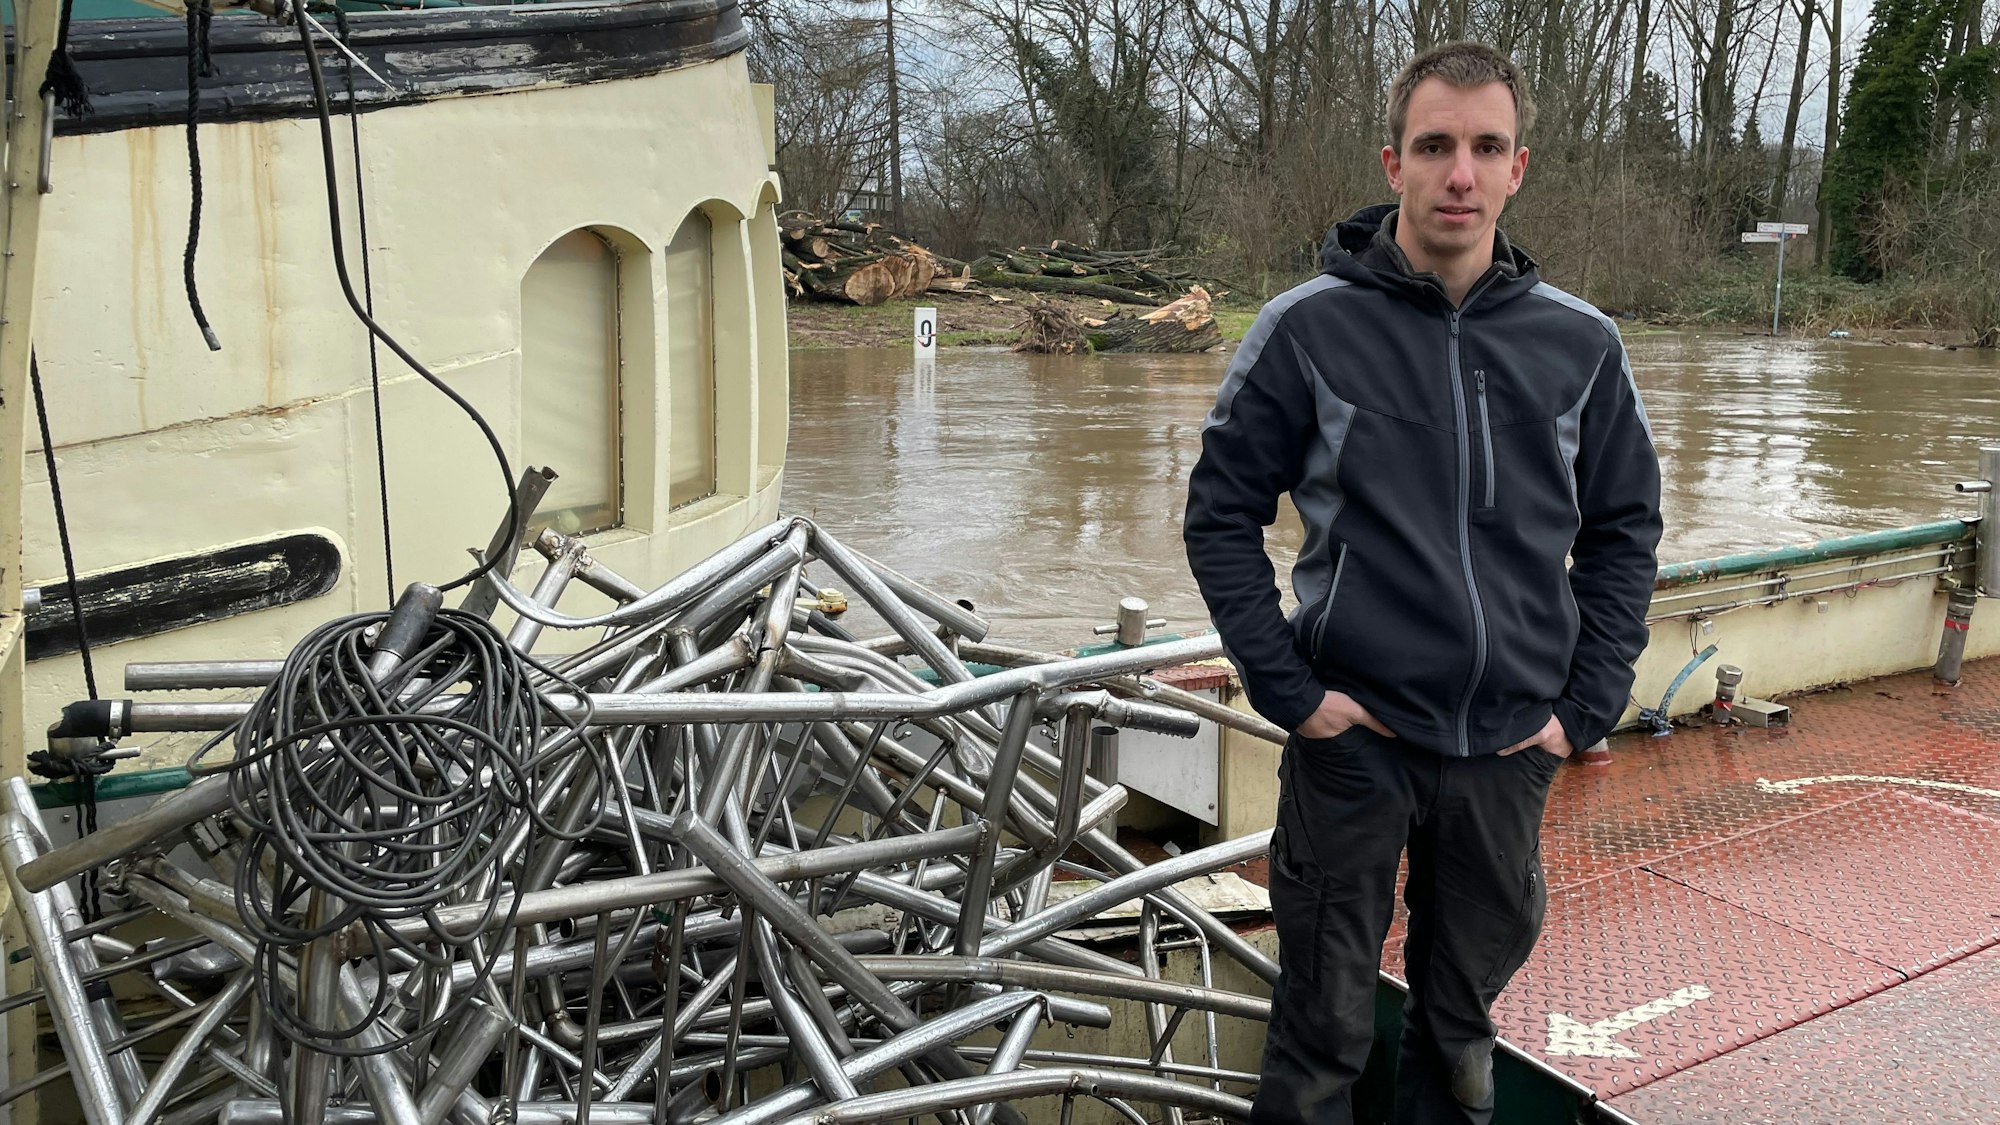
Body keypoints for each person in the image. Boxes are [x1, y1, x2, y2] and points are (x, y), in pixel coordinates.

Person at [1181, 41, 1663, 1125]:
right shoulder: (1307, 328)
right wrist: (1289, 694)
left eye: (1484, 148)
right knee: (1322, 1027)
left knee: (1457, 1034)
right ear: (1390, 161)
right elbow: (1219, 515)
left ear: (1516, 168)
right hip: (1355, 742)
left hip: (1505, 748)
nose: (1459, 173)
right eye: (1435, 145)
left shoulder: (1579, 344)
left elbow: (1624, 529)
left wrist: (1582, 707)